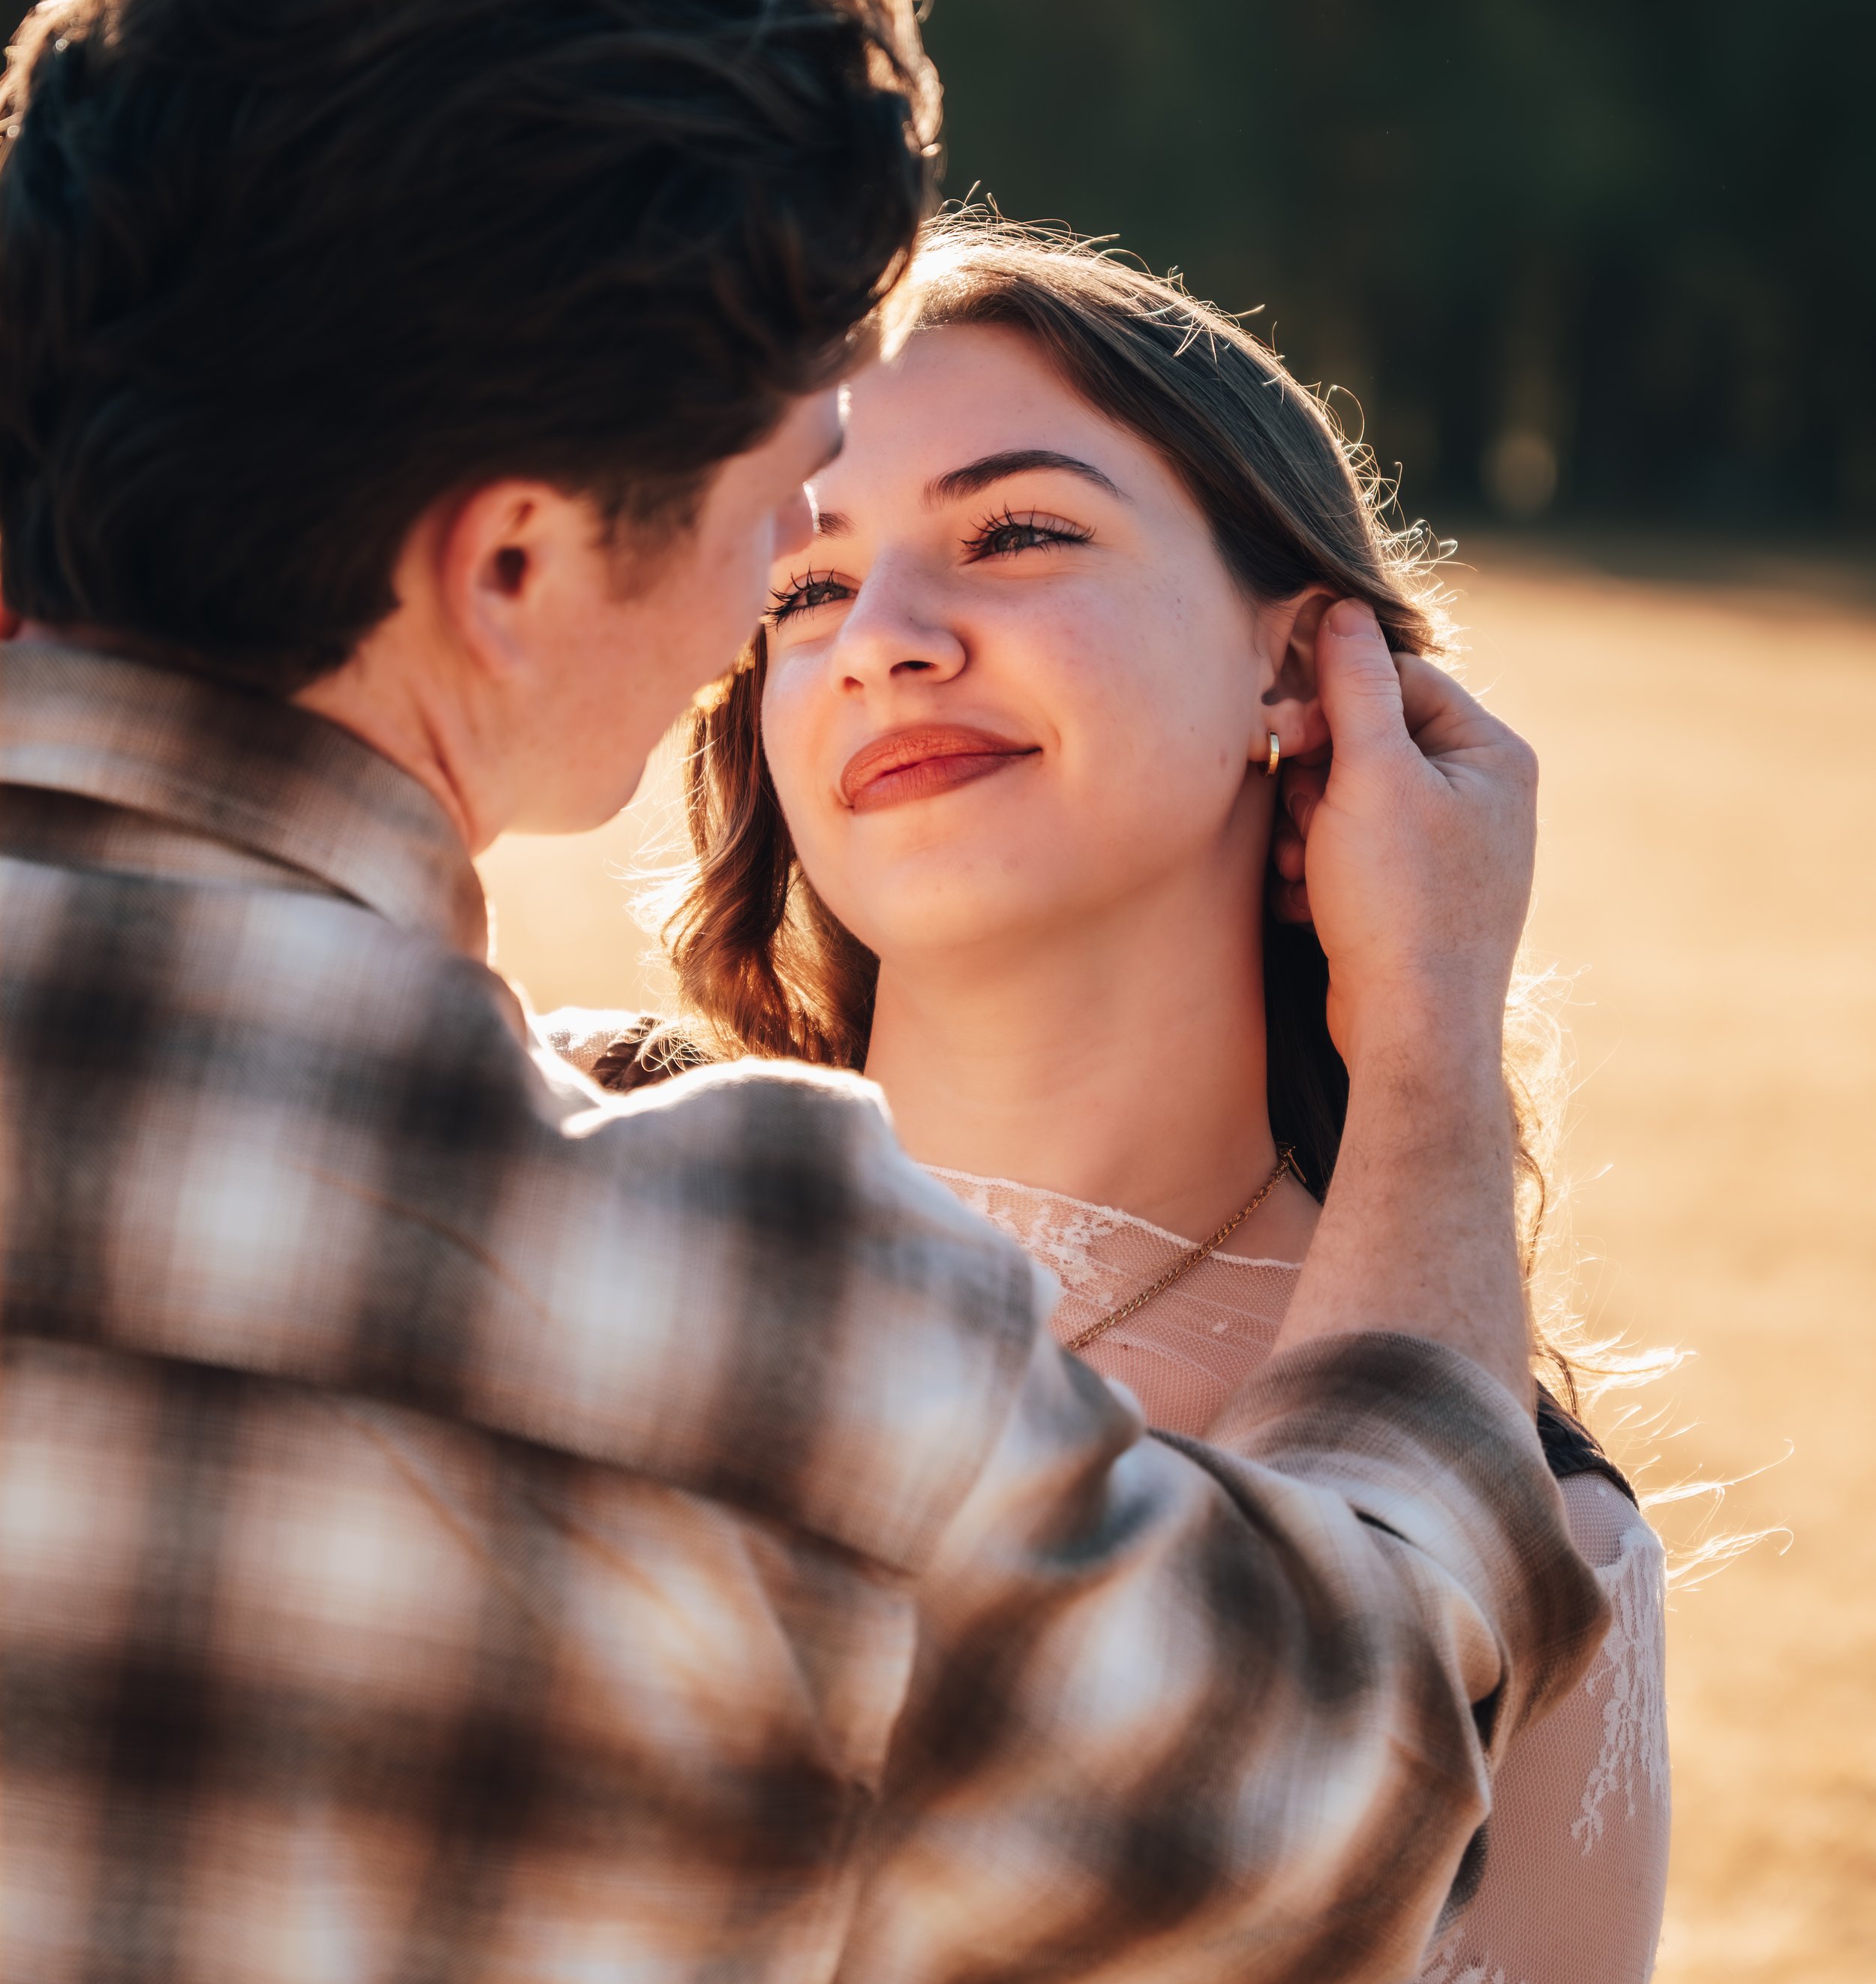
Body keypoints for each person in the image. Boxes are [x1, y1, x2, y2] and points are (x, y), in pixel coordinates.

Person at [0, 0, 1605, 1984]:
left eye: (1015, 528)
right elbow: (1328, 1781)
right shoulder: (742, 1312)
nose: (828, 612)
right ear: (513, 560)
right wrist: (1425, 1045)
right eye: (791, 520)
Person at [586, 218, 1669, 1984]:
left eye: (1013, 532)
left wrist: (1426, 1016)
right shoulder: (579, 1213)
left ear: (1298, 667)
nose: (881, 641)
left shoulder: (1542, 1548)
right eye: (802, 587)